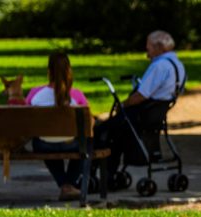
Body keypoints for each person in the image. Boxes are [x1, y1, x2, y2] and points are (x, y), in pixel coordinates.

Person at [94, 30, 186, 187]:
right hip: (157, 114)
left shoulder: (159, 66)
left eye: (148, 47)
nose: (147, 53)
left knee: (103, 130)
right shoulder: (177, 65)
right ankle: (110, 173)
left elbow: (141, 95)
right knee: (118, 133)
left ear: (159, 47)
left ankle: (102, 173)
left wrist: (122, 104)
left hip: (142, 114)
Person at [25, 53, 90, 201]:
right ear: (69, 71)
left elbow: (26, 122)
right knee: (85, 144)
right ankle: (69, 185)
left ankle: (64, 185)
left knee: (45, 142)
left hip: (43, 145)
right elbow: (88, 124)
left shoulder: (35, 94)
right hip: (71, 144)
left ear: (49, 71)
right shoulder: (77, 95)